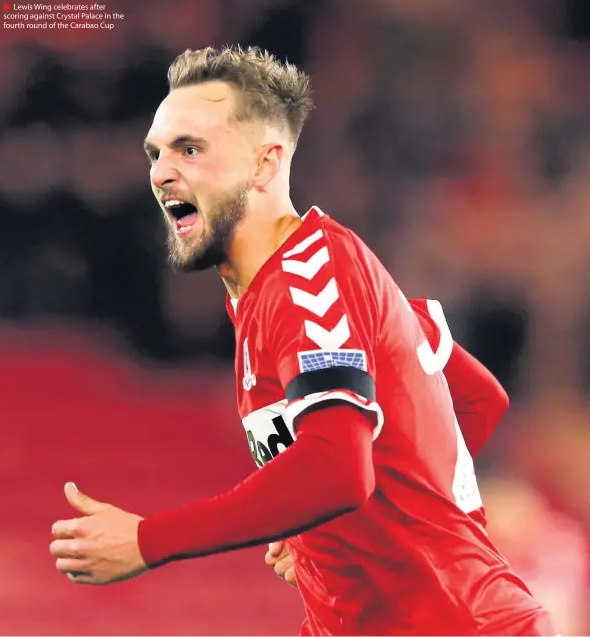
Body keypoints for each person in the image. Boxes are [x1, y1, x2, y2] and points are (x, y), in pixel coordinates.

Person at [50, 46, 557, 636]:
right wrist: (328, 529)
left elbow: (339, 469)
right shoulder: (292, 288)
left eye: (190, 149)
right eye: (156, 153)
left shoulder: (309, 281)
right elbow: (475, 398)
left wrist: (147, 540)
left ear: (265, 164)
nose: (162, 171)